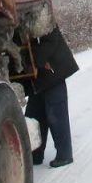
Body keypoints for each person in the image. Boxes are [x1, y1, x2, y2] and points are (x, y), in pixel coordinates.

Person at [22, 24, 78, 168]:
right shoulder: (24, 20)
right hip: (37, 76)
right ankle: (35, 154)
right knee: (35, 114)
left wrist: (34, 61)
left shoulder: (42, 17)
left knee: (56, 115)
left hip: (53, 71)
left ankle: (65, 155)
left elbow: (51, 40)